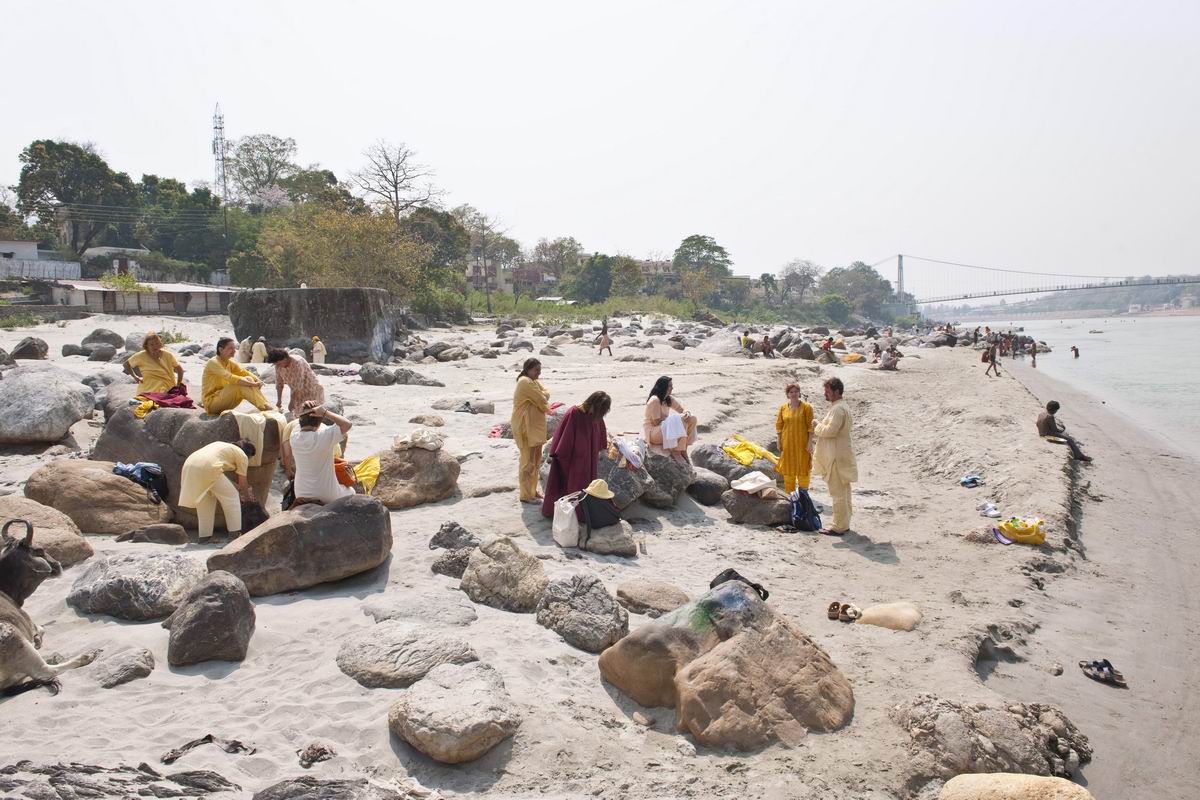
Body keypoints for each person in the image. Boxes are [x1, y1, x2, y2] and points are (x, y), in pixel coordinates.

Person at [541, 391, 611, 520]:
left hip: (589, 458)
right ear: (592, 403)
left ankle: (583, 514)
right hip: (573, 460)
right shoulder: (574, 413)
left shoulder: (596, 415)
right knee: (572, 486)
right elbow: (564, 438)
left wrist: (602, 450)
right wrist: (561, 458)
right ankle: (570, 515)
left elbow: (601, 432)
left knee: (586, 486)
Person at [179, 439, 257, 541]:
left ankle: (204, 537)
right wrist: (248, 500)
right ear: (248, 454)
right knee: (232, 496)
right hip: (208, 468)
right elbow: (243, 483)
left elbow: (217, 476)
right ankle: (234, 534)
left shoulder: (222, 445)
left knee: (205, 500)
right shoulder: (242, 455)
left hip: (189, 466)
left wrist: (238, 488)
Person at [813, 377, 857, 535]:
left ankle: (838, 526)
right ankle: (843, 524)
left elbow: (830, 431)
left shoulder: (838, 409)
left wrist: (817, 426)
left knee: (838, 493)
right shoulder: (839, 406)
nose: (825, 394)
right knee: (843, 493)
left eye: (828, 391)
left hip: (837, 458)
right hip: (840, 455)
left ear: (836, 391)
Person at [290, 400, 355, 504]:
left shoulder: (294, 437)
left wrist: (305, 408)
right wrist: (325, 412)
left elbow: (301, 424)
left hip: (301, 492)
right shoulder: (324, 436)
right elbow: (347, 424)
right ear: (320, 423)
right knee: (351, 492)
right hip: (327, 495)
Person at [512, 358, 550, 504]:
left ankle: (532, 490)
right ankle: (526, 495)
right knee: (527, 461)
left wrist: (543, 395)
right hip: (525, 427)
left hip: (534, 427)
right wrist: (542, 396)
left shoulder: (533, 381)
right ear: (528, 369)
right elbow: (542, 397)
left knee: (535, 460)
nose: (538, 374)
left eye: (540, 371)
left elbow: (546, 393)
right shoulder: (525, 382)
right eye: (536, 371)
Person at [202, 337, 272, 415]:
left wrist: (257, 380)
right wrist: (253, 384)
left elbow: (243, 372)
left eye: (234, 348)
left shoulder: (230, 362)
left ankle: (265, 405)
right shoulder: (213, 362)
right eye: (230, 348)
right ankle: (265, 407)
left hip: (224, 398)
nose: (234, 351)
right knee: (239, 385)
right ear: (221, 350)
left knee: (248, 378)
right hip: (211, 403)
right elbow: (230, 377)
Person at [644, 376, 698, 463]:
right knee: (680, 419)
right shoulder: (655, 400)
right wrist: (673, 420)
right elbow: (656, 422)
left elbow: (682, 409)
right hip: (653, 433)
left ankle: (684, 448)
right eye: (670, 386)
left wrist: (687, 413)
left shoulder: (668, 399)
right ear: (663, 387)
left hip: (663, 429)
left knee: (692, 418)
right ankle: (678, 450)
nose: (672, 388)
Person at [775, 383, 814, 493]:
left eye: (796, 391)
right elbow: (779, 425)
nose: (794, 394)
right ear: (787, 394)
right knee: (788, 470)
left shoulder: (807, 407)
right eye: (791, 392)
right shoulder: (783, 408)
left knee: (803, 469)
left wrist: (810, 442)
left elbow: (810, 426)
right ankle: (790, 497)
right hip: (787, 443)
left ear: (799, 393)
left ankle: (803, 496)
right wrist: (779, 440)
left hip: (802, 444)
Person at [266, 348, 325, 416]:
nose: (277, 365)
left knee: (313, 415)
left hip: (312, 389)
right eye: (275, 364)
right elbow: (279, 384)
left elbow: (298, 386)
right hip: (297, 394)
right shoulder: (278, 366)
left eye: (278, 363)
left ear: (285, 358)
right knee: (299, 416)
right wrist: (279, 400)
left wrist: (292, 402)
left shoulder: (297, 362)